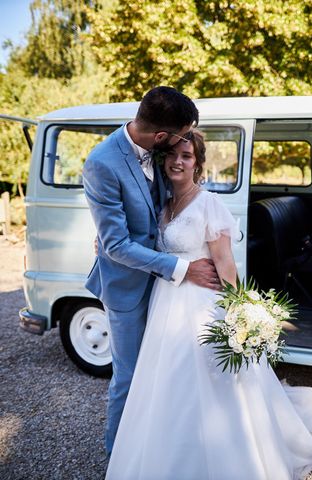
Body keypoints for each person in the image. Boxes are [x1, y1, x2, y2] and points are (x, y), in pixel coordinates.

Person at [105, 130, 312, 479]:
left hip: (201, 303)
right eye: (172, 155)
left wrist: (237, 313)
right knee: (164, 380)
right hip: (166, 302)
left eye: (187, 156)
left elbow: (225, 263)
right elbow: (145, 244)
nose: (178, 161)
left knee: (211, 381)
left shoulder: (209, 203)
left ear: (198, 162)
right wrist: (104, 242)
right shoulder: (164, 203)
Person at [82, 87, 220, 456]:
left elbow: (165, 207)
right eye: (179, 137)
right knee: (128, 377)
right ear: (161, 136)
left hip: (164, 290)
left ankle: (159, 448)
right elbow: (116, 245)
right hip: (126, 288)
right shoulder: (102, 163)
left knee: (164, 372)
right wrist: (183, 268)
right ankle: (119, 458)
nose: (182, 144)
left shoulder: (157, 151)